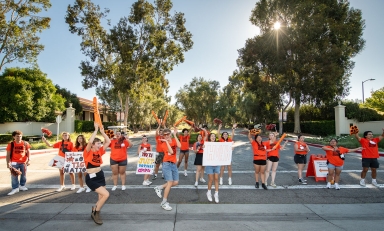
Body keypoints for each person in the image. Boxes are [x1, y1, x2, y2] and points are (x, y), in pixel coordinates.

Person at [84, 122, 111, 225]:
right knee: (106, 194)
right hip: (91, 177)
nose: (100, 145)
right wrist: (95, 130)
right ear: (93, 145)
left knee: (101, 196)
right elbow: (89, 142)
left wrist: (102, 132)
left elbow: (108, 141)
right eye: (98, 143)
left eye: (100, 143)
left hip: (100, 174)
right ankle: (96, 213)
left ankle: (94, 208)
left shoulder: (100, 151)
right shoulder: (87, 152)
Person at [153, 128, 181, 211]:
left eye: (168, 134)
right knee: (170, 183)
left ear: (170, 134)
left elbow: (179, 146)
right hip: (167, 164)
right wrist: (166, 141)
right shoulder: (163, 144)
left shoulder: (173, 140)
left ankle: (159, 187)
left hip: (173, 164)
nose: (167, 136)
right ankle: (164, 202)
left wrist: (175, 135)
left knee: (175, 182)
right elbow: (171, 151)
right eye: (165, 135)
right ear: (163, 136)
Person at [6, 130, 31, 196]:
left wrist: (29, 160)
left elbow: (28, 152)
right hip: (14, 162)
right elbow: (8, 155)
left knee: (24, 175)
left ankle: (22, 185)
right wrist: (8, 163)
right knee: (14, 175)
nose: (19, 138)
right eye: (17, 136)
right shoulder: (11, 144)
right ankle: (15, 188)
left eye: (20, 136)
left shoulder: (25, 143)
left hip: (23, 162)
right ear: (13, 137)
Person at [205, 132, 221, 203]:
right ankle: (209, 192)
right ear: (210, 137)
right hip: (209, 164)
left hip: (217, 164)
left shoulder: (218, 145)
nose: (213, 137)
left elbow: (223, 150)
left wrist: (230, 148)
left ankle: (216, 194)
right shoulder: (207, 144)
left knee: (216, 179)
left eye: (214, 136)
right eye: (212, 136)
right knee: (211, 179)